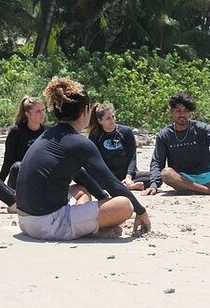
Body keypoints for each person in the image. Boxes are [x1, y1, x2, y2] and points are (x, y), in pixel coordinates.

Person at [15, 77, 151, 241]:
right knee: (124, 205)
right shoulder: (79, 143)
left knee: (81, 190)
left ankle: (89, 228)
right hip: (46, 224)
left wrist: (102, 199)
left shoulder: (49, 135)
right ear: (86, 111)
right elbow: (113, 184)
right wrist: (141, 211)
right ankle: (89, 230)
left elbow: (81, 175)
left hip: (24, 220)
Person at [146, 93, 210, 196]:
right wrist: (153, 184)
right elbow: (157, 161)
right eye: (178, 111)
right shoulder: (164, 135)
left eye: (185, 111)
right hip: (182, 177)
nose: (182, 114)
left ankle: (197, 189)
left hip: (208, 175)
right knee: (166, 174)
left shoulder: (201, 128)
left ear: (189, 113)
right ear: (171, 112)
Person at [87, 103, 151, 191]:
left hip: (127, 173)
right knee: (88, 180)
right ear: (100, 121)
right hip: (108, 174)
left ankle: (126, 184)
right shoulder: (95, 135)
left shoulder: (126, 132)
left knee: (156, 178)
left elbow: (132, 156)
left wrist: (128, 176)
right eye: (108, 118)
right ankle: (125, 186)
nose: (112, 120)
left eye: (113, 117)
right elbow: (94, 160)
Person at [0, 96, 48, 189]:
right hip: (19, 178)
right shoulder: (16, 131)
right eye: (38, 111)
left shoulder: (48, 132)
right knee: (18, 166)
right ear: (28, 114)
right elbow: (8, 160)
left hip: (40, 176)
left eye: (43, 110)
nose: (42, 114)